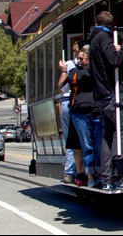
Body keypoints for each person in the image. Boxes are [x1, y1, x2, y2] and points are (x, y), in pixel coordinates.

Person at [88, 10, 123, 191]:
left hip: (100, 96)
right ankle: (118, 174)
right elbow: (114, 60)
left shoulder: (93, 39)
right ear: (110, 25)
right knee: (122, 128)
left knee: (106, 137)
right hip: (109, 95)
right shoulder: (103, 37)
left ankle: (106, 178)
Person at [64, 45, 103, 188]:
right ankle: (90, 176)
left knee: (99, 146)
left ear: (90, 58)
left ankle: (100, 174)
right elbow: (72, 80)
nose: (78, 61)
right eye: (78, 58)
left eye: (82, 58)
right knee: (87, 147)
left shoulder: (97, 70)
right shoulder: (75, 72)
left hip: (97, 112)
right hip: (80, 114)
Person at [56, 44, 79, 183]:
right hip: (70, 103)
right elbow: (62, 88)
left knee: (71, 138)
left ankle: (70, 172)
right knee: (75, 138)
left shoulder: (69, 65)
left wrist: (64, 71)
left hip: (68, 103)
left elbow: (61, 88)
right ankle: (72, 171)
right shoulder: (71, 65)